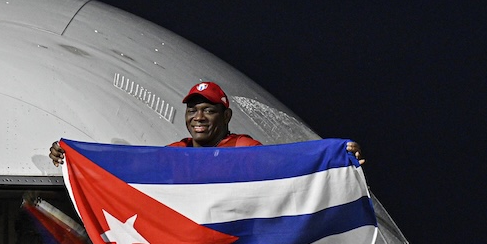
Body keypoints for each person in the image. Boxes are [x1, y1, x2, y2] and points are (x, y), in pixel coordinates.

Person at [49, 81, 364, 164]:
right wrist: (74, 156)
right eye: (192, 110)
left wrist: (336, 157)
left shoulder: (241, 147)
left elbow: (286, 162)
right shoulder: (178, 151)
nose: (198, 117)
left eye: (208, 110)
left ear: (226, 116)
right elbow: (129, 164)